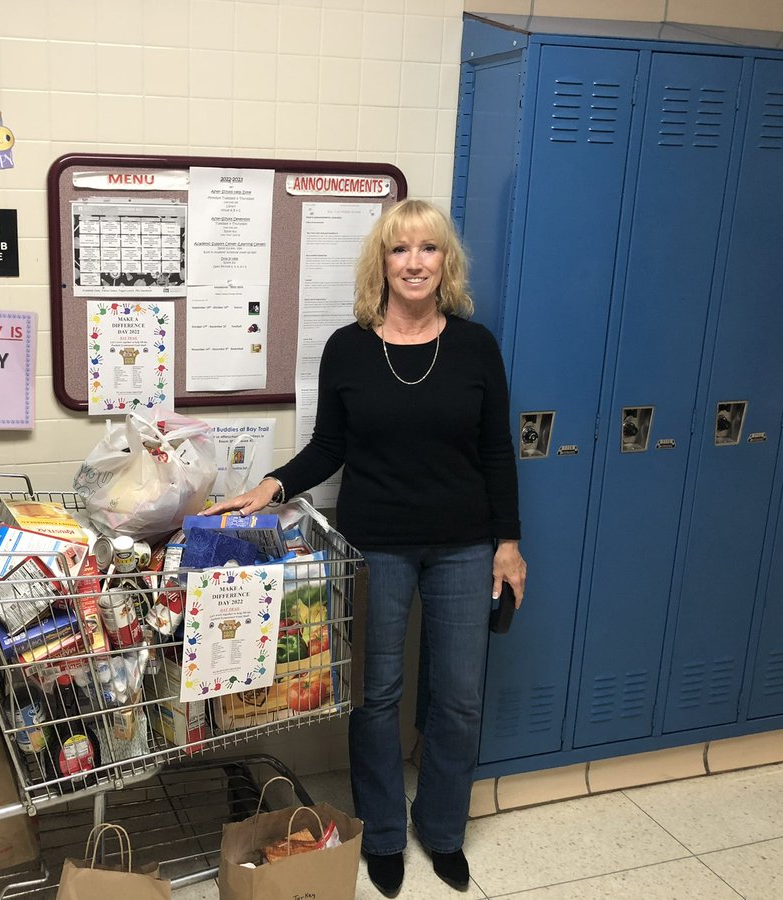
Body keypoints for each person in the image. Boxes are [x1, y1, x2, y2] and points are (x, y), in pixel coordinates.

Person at [203, 198, 526, 896]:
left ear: (447, 263)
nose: (414, 262)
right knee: (376, 695)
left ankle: (442, 831)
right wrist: (272, 485)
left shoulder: (475, 346)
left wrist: (508, 543)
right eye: (400, 249)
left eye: (429, 249)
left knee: (460, 698)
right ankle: (382, 834)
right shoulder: (349, 347)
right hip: (376, 545)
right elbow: (330, 447)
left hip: (466, 545)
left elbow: (497, 452)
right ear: (382, 262)